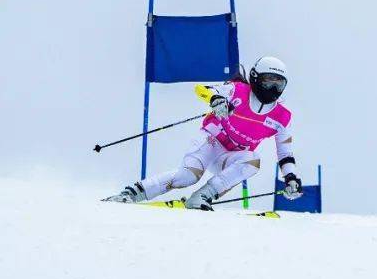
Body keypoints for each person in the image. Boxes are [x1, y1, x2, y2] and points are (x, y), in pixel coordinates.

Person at [104, 56, 303, 210]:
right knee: (187, 176)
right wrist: (216, 99)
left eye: (279, 83)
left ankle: (202, 197)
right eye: (269, 81)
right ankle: (132, 193)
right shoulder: (238, 91)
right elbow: (202, 89)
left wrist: (291, 178)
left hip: (230, 155)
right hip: (211, 141)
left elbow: (285, 154)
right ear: (255, 77)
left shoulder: (281, 117)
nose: (273, 88)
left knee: (253, 161)